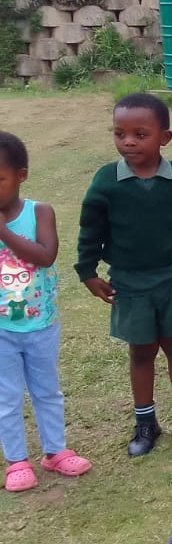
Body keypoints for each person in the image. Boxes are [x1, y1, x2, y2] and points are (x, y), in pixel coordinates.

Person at [76, 93, 172, 456]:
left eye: (140, 134)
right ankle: (145, 422)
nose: (129, 142)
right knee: (141, 353)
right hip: (130, 282)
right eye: (120, 134)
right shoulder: (106, 182)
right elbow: (90, 229)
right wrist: (87, 272)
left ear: (164, 138)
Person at [0, 132, 90, 491]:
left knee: (47, 390)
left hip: (40, 325)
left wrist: (3, 232)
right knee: (6, 395)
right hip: (2, 329)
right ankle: (16, 461)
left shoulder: (40, 212)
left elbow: (45, 255)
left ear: (21, 175)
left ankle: (55, 451)